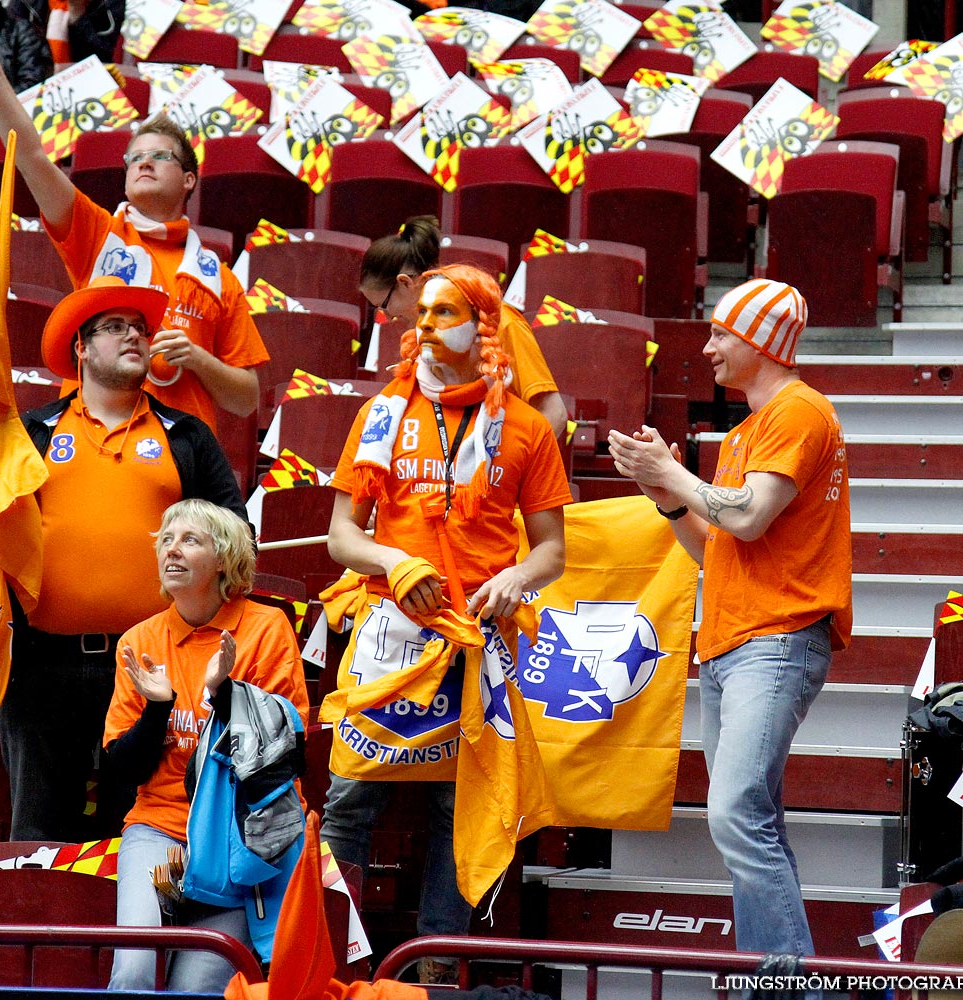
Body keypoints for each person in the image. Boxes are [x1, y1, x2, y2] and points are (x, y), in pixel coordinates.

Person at [320, 264, 570, 981]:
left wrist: (516, 578)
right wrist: (394, 563)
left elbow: (552, 548)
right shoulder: (382, 414)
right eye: (420, 312)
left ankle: (434, 974)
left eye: (445, 311)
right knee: (348, 803)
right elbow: (342, 536)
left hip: (477, 642)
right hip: (392, 634)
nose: (425, 325)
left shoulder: (524, 428)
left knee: (456, 813)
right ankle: (335, 958)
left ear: (484, 325)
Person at [0, 276, 248, 843]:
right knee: (37, 839)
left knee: (144, 834)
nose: (134, 337)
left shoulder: (188, 435)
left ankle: (133, 937)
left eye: (139, 328)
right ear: (80, 348)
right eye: (114, 329)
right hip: (39, 668)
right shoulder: (29, 432)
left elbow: (238, 537)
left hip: (153, 671)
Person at [607, 278, 852, 957]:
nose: (709, 346)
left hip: (773, 639)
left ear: (760, 342)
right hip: (734, 641)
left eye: (721, 333)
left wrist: (675, 471)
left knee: (737, 815)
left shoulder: (798, 411)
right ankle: (770, 976)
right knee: (752, 821)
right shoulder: (749, 429)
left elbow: (745, 515)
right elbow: (714, 545)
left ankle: (781, 983)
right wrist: (664, 492)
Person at [0, 24, 266, 433]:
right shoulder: (99, 234)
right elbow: (30, 156)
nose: (144, 163)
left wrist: (197, 358)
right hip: (90, 440)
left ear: (189, 179)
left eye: (159, 156)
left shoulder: (219, 279)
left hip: (182, 460)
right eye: (133, 158)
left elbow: (246, 399)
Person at [103, 498, 309, 993]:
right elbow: (120, 770)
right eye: (166, 541)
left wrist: (224, 695)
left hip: (238, 837)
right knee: (132, 971)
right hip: (160, 828)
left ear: (226, 560)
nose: (172, 551)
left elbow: (278, 761)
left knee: (194, 989)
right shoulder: (140, 639)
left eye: (190, 540)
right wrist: (157, 709)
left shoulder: (266, 628)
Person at [359, 215, 568, 438]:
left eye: (384, 305)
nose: (388, 316)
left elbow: (554, 413)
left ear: (405, 283)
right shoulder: (422, 336)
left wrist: (514, 466)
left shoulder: (500, 321)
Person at [9, 0, 124, 65]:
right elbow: (12, 54)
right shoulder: (24, 3)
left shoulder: (110, 4)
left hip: (90, 83)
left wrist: (78, 16)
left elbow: (106, 60)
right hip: (37, 84)